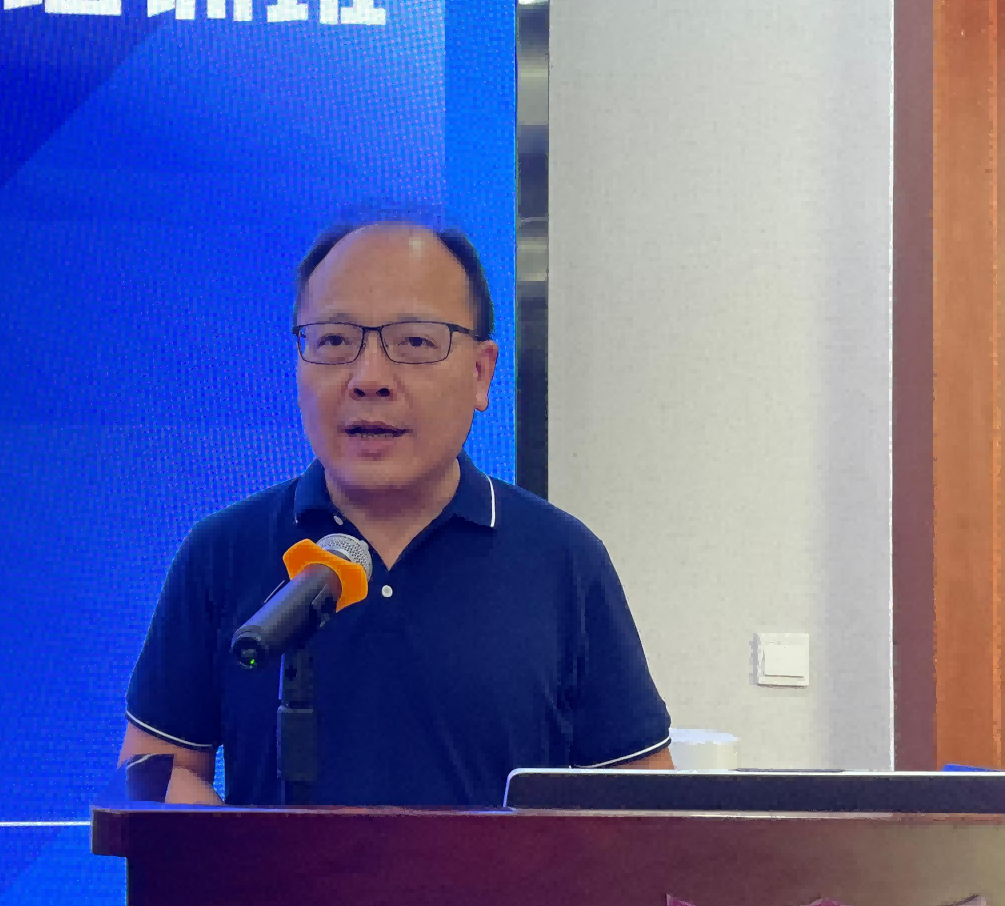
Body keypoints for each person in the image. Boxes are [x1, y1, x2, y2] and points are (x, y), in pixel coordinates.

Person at [121, 216, 672, 805]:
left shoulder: (563, 558)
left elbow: (642, 798)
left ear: (481, 373)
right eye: (335, 341)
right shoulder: (222, 550)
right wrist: (247, 857)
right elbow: (154, 771)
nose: (369, 379)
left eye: (414, 342)